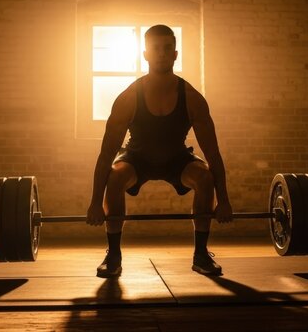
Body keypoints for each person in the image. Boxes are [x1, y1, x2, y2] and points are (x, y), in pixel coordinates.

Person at [86, 24, 233, 277]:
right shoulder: (129, 97)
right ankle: (113, 255)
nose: (162, 53)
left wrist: (225, 201)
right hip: (137, 157)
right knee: (115, 174)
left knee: (205, 176)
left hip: (177, 158)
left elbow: (213, 154)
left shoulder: (193, 98)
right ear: (145, 54)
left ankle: (201, 254)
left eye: (167, 48)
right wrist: (95, 203)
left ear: (175, 54)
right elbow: (106, 154)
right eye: (156, 48)